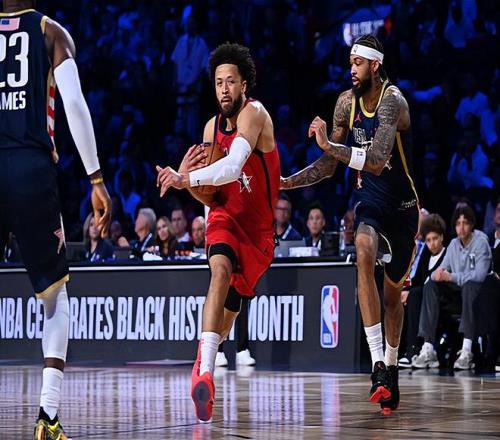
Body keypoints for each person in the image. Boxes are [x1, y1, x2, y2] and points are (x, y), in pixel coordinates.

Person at [281, 35, 419, 413]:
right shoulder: (345, 103)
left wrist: (330, 145)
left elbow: (376, 160)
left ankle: (391, 367)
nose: (351, 70)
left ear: (375, 64)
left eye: (358, 63)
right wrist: (286, 183)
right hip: (370, 201)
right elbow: (329, 167)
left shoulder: (393, 101)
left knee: (393, 299)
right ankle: (377, 366)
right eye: (349, 63)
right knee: (362, 250)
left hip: (403, 207)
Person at [0, 2, 112, 438]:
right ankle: (47, 416)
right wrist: (96, 178)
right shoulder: (51, 33)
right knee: (55, 298)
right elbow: (75, 105)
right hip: (30, 168)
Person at [156, 42, 280, 422]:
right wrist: (187, 181)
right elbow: (210, 192)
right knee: (220, 271)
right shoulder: (211, 127)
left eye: (230, 82)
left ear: (244, 84)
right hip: (224, 215)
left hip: (258, 232)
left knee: (229, 314)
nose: (224, 89)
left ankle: (203, 356)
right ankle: (206, 374)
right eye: (218, 82)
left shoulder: (254, 114)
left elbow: (232, 167)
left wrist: (184, 179)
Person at [415, 205, 492, 370]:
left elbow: (480, 275)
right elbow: (441, 269)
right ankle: (428, 348)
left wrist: (452, 276)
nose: (461, 227)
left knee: (470, 286)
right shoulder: (453, 244)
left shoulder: (481, 242)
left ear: (472, 224)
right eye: (458, 223)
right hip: (457, 295)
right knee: (430, 285)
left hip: (479, 296)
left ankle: (466, 351)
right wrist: (437, 274)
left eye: (465, 223)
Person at [398, 214, 447, 368]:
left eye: (435, 239)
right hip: (424, 297)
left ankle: (418, 349)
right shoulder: (426, 255)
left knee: (417, 294)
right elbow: (418, 278)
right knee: (412, 294)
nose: (432, 244)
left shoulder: (447, 254)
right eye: (428, 240)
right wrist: (406, 290)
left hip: (441, 298)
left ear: (442, 237)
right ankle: (409, 350)